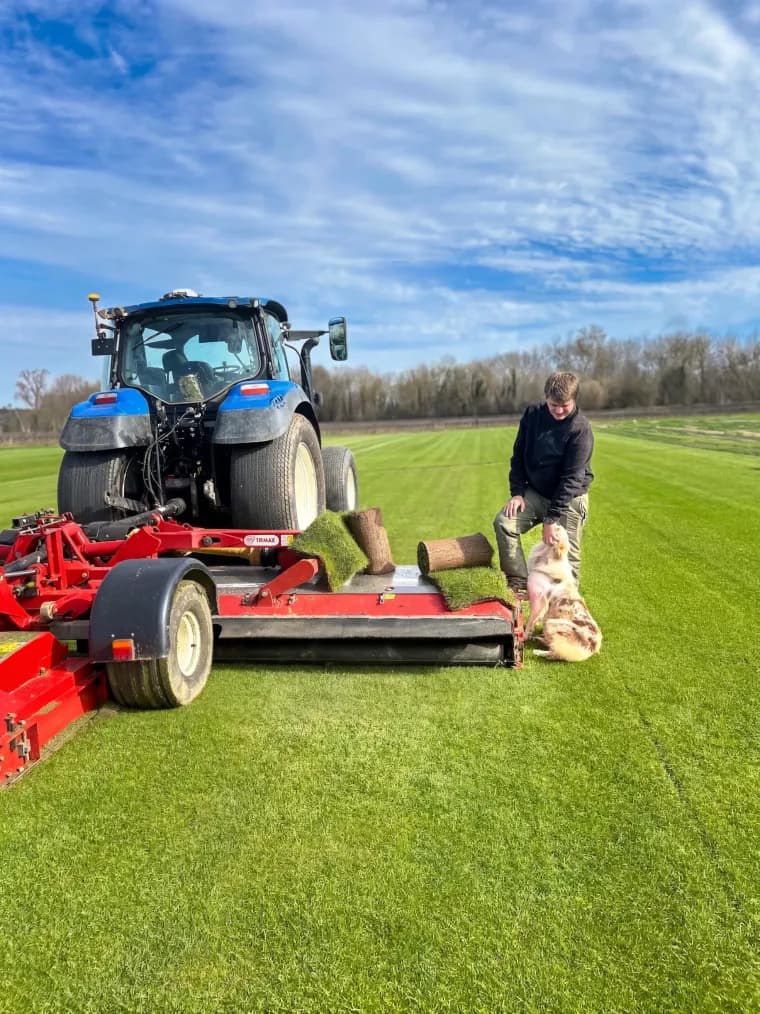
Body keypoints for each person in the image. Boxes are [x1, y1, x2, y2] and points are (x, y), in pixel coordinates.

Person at [493, 371, 594, 596]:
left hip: (569, 498)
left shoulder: (580, 429)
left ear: (574, 400)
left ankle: (565, 607)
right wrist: (517, 492)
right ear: (546, 398)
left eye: (564, 405)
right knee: (504, 523)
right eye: (553, 405)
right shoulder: (532, 416)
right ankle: (519, 584)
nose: (558, 411)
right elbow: (518, 455)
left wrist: (551, 518)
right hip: (537, 493)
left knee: (565, 555)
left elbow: (572, 479)